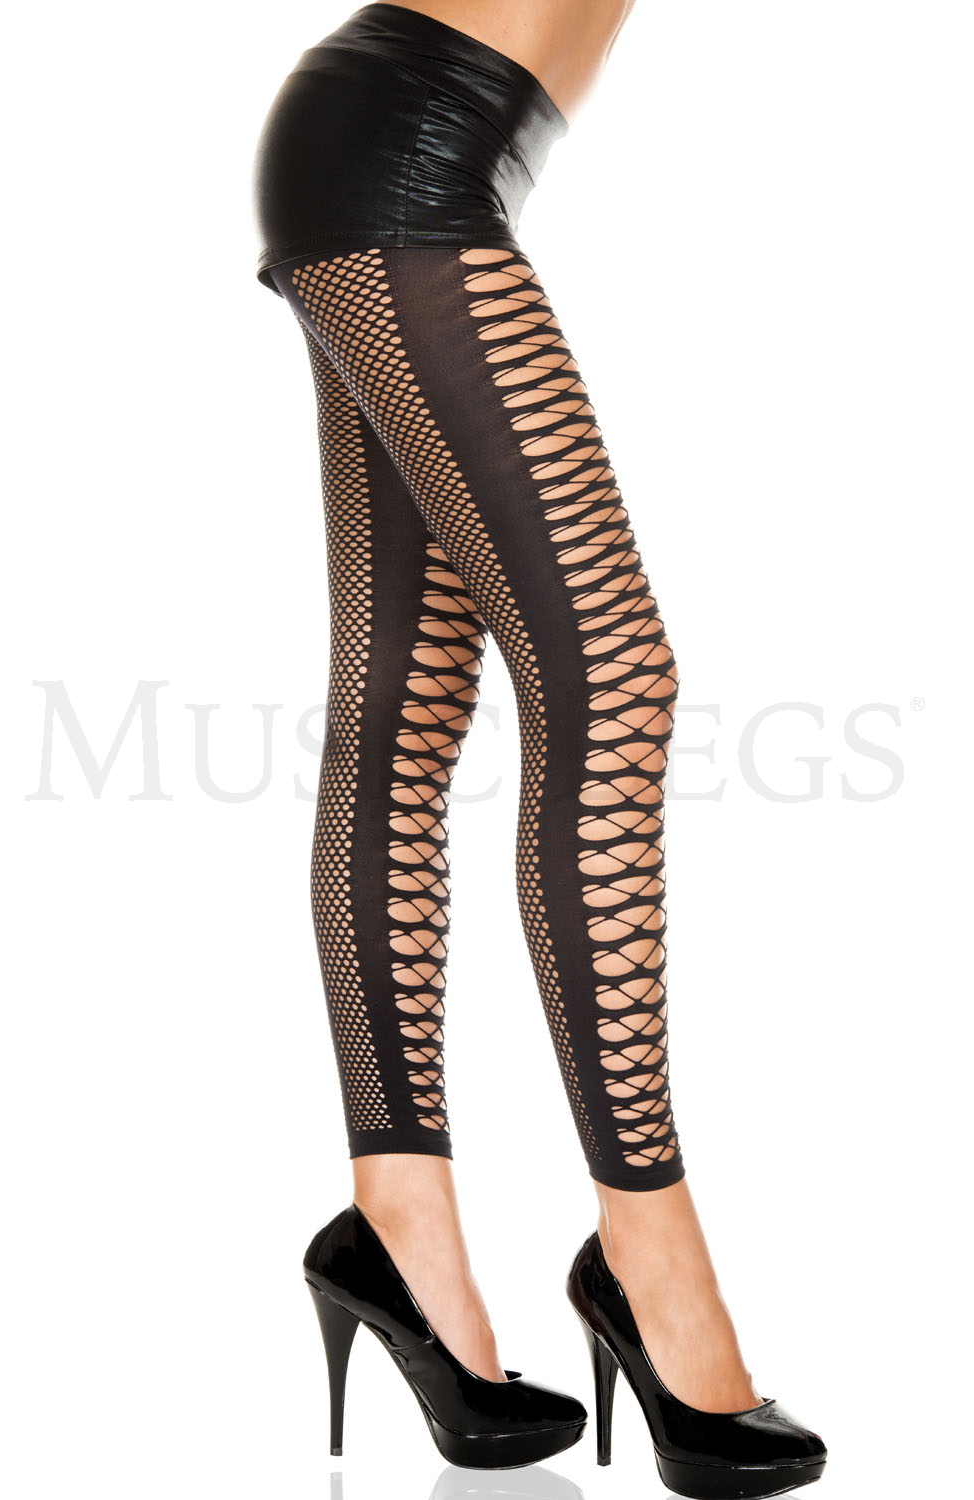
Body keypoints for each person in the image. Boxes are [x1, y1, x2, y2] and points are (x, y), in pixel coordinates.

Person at [252, 4, 826, 1492]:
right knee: (612, 679)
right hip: (406, 154)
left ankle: (399, 1234)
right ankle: (650, 1250)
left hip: (410, 152)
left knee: (403, 717)